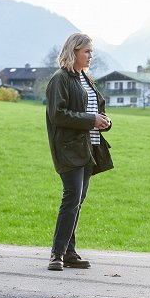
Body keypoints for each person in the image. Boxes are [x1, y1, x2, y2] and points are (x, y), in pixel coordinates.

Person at [45, 33, 113, 271]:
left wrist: (103, 121)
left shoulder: (85, 79)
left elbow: (93, 110)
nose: (90, 56)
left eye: (91, 52)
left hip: (88, 148)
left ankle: (69, 252)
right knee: (71, 197)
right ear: (73, 52)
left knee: (78, 200)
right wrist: (90, 119)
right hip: (68, 148)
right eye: (86, 51)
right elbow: (58, 114)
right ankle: (57, 254)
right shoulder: (60, 79)